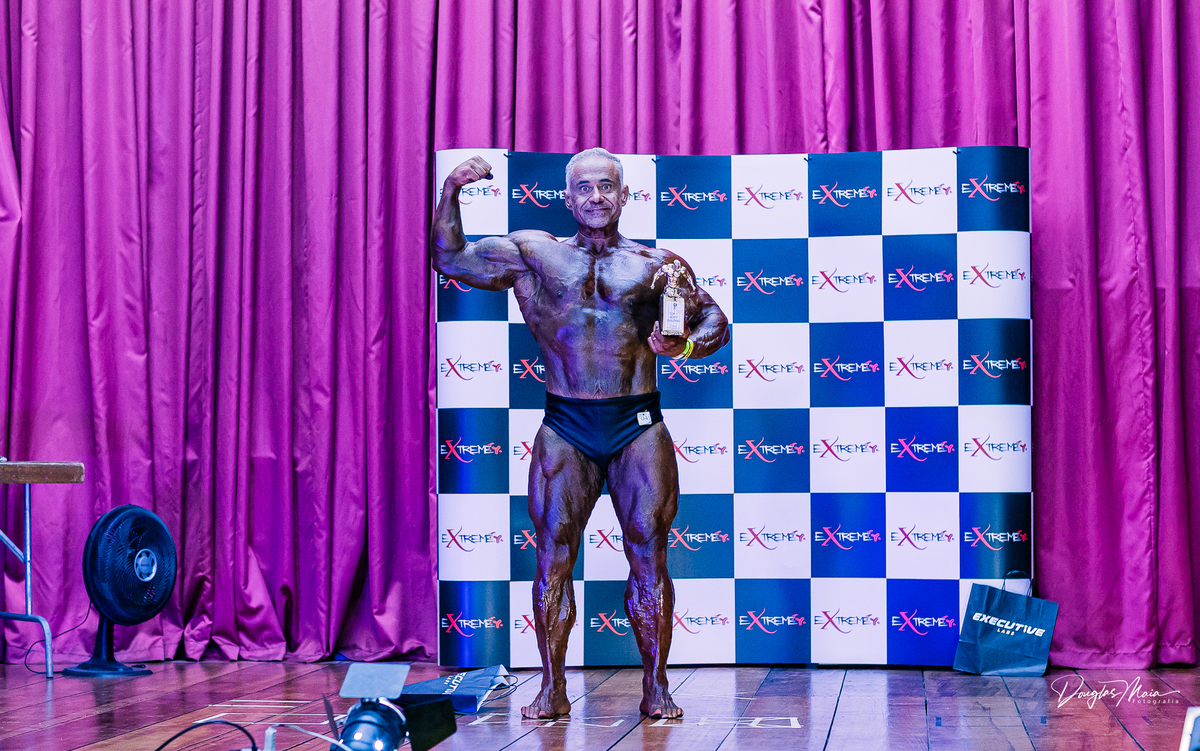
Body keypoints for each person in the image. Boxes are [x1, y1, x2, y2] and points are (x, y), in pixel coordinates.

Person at [431, 148, 729, 719]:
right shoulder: (532, 255)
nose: (596, 197)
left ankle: (656, 687)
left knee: (649, 554)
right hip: (566, 424)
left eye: (607, 186)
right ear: (567, 198)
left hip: (637, 424)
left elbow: (716, 320)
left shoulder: (657, 265)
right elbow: (449, 258)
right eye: (585, 188)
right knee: (553, 557)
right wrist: (452, 190)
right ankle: (552, 688)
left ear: (624, 195)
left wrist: (686, 345)